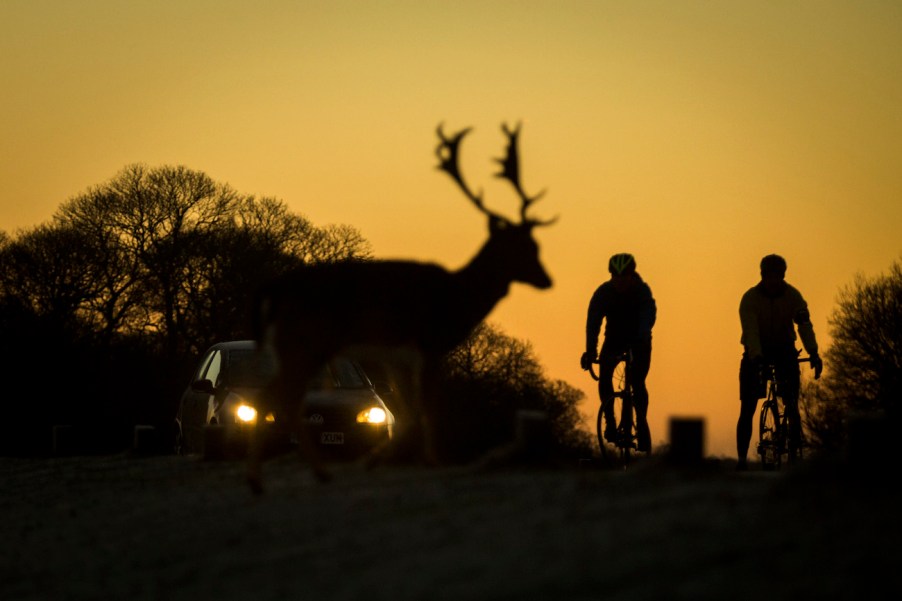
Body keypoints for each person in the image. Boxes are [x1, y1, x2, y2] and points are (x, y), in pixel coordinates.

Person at [736, 254, 823, 470]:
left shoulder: (794, 296)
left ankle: (794, 446)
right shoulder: (750, 299)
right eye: (769, 276)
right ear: (763, 276)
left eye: (777, 277)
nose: (773, 281)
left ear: (783, 276)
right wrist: (756, 357)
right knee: (747, 407)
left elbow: (804, 325)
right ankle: (741, 460)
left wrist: (813, 352)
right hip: (757, 350)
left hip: (784, 348)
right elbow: (751, 330)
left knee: (792, 402)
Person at [581, 253, 657, 452]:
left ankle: (641, 424)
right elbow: (593, 323)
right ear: (611, 276)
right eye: (616, 276)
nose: (620, 281)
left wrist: (640, 338)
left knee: (638, 381)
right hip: (614, 339)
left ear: (632, 276)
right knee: (604, 376)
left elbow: (647, 317)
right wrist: (591, 351)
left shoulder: (642, 292)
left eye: (625, 277)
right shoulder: (603, 293)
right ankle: (610, 421)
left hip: (638, 339)